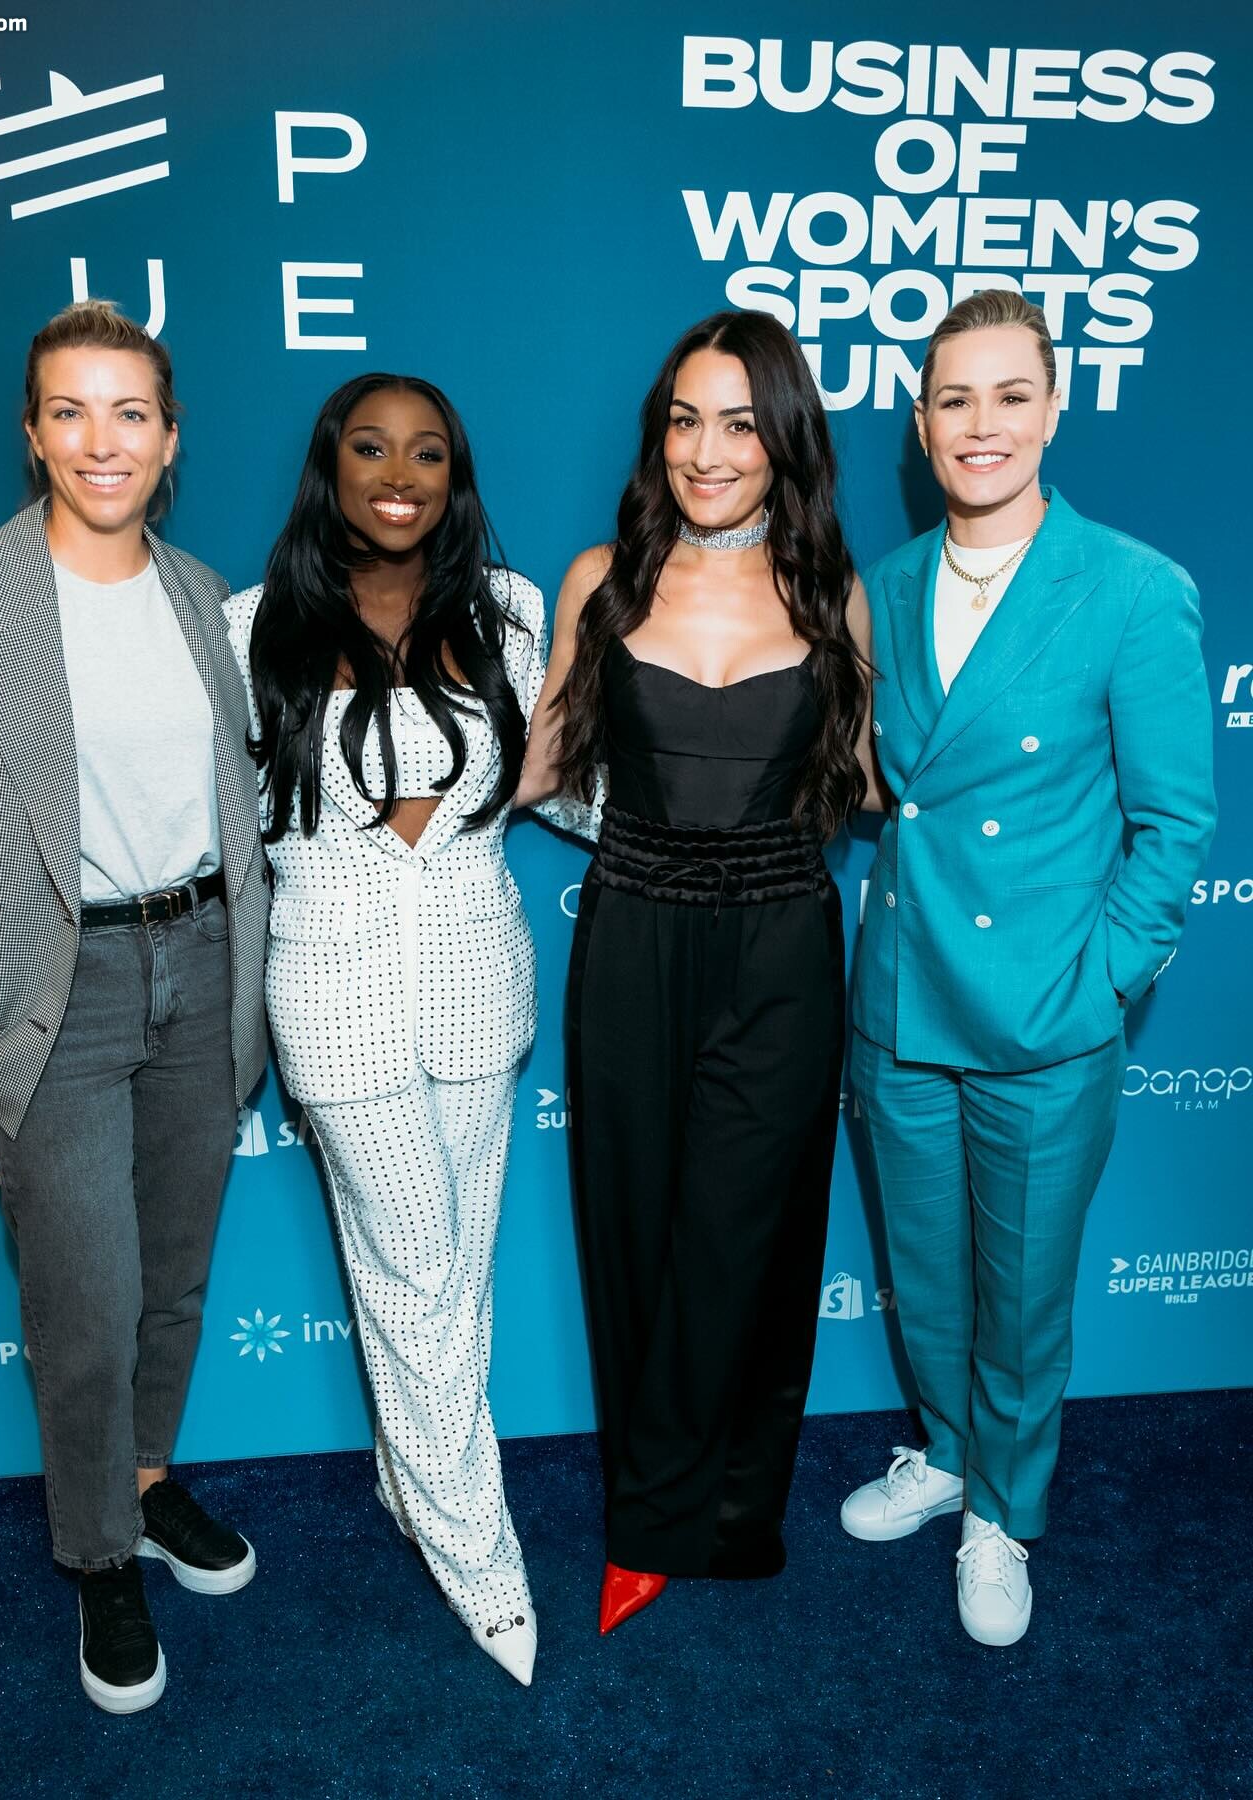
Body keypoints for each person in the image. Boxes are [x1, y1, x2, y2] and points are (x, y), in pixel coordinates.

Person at [0, 300, 269, 1714]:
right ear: (32, 433)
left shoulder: (201, 593)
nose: (101, 440)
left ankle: (144, 1479)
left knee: (175, 1271)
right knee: (88, 1292)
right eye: (70, 411)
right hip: (49, 989)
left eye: (129, 412)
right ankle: (99, 1553)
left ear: (171, 438)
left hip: (206, 963)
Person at [842, 288, 1216, 1646]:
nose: (982, 423)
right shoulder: (882, 588)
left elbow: (1175, 823)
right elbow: (877, 784)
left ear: (1055, 409)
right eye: (956, 398)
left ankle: (1003, 1509)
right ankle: (948, 1455)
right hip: (901, 996)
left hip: (1048, 1013)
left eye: (1011, 395)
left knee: (1023, 1285)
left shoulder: (1131, 587)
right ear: (921, 423)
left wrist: (1103, 980)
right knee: (930, 1268)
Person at [518, 310, 879, 1634]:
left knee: (747, 1232)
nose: (706, 451)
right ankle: (654, 1501)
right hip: (631, 932)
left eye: (737, 422)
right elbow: (537, 769)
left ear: (784, 439)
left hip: (782, 941)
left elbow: (875, 784)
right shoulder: (601, 580)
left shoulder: (832, 592)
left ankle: (712, 1510)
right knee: (634, 1221)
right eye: (684, 420)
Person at [226, 373, 572, 1687]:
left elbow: (563, 781)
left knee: (451, 1272)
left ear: (454, 478)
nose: (398, 473)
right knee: (417, 1269)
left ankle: (406, 1473)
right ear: (331, 465)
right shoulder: (250, 626)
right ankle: (479, 1547)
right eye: (370, 447)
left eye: (427, 453)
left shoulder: (512, 610)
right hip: (335, 996)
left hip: (480, 986)